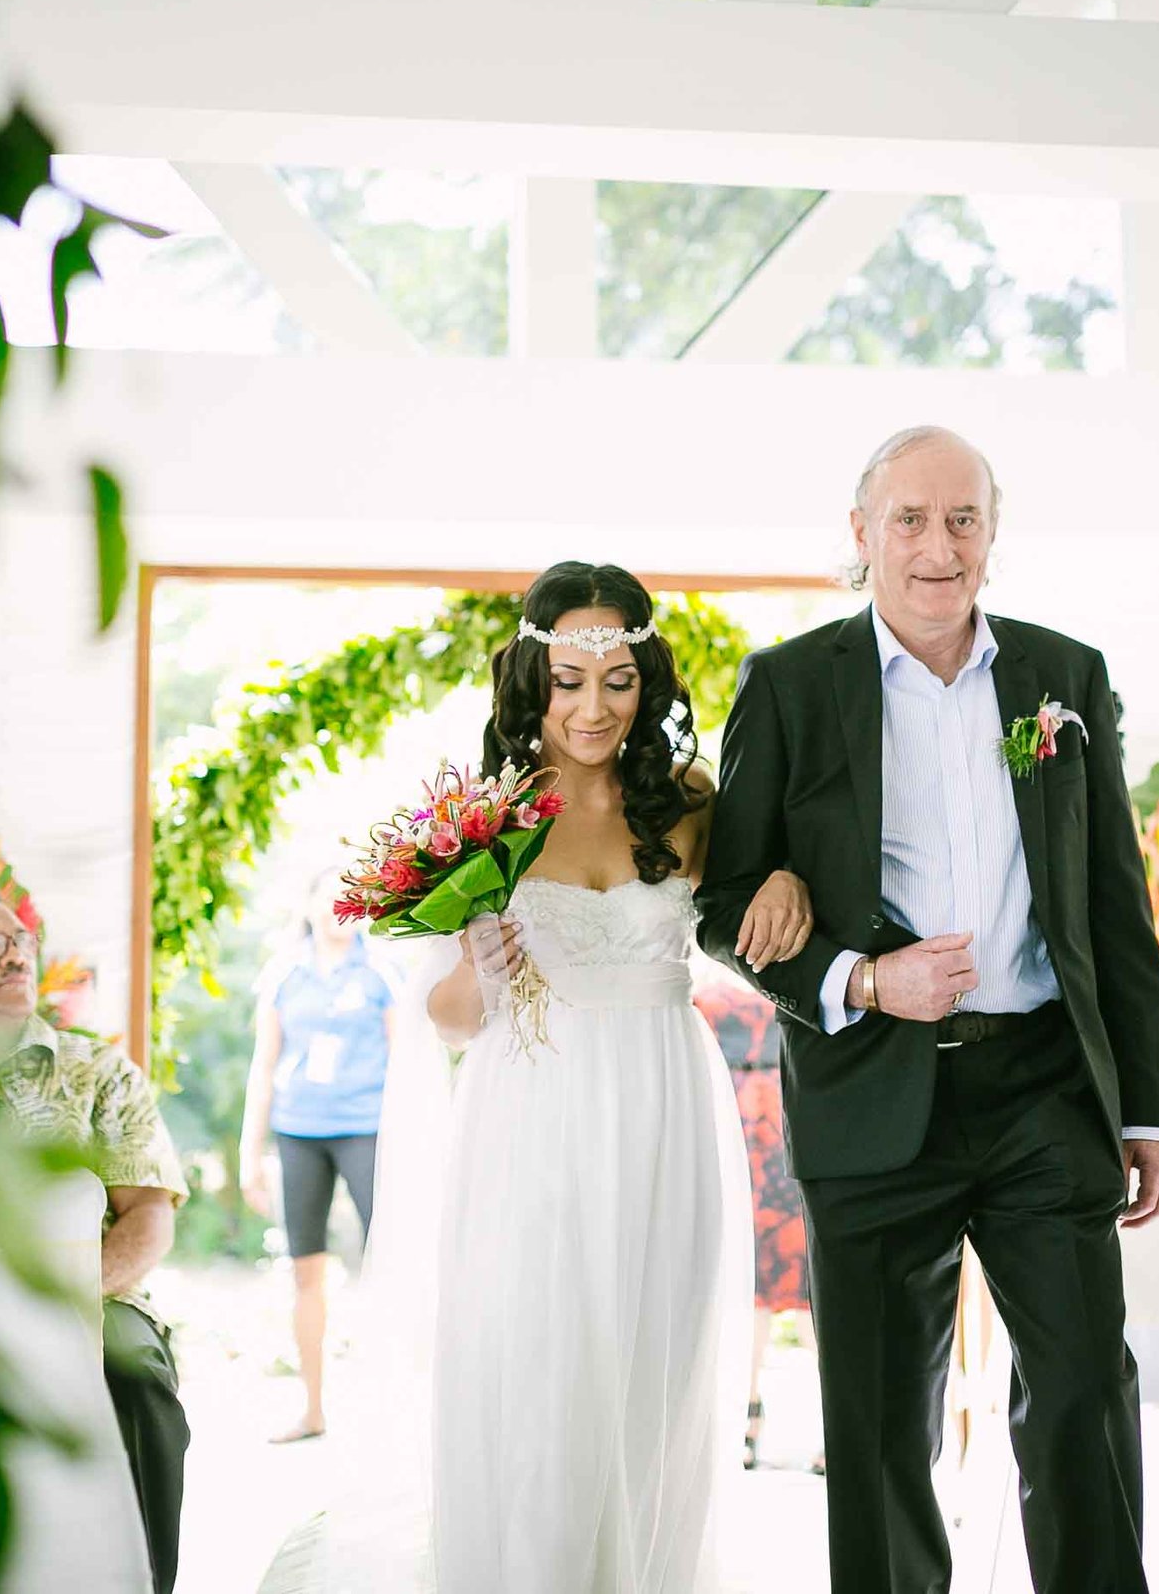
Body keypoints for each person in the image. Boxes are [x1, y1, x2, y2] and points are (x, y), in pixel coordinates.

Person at [697, 426, 1159, 1594]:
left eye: (961, 519)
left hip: (1044, 1088)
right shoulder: (788, 684)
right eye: (907, 519)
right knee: (873, 1426)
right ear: (859, 537)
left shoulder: (1064, 676)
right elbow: (721, 904)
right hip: (870, 1089)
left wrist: (1147, 1112)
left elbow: (1115, 903)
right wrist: (860, 978)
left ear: (992, 537)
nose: (936, 544)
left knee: (1078, 1393)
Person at [305, 562, 812, 1594]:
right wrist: (480, 970)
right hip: (529, 1110)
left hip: (664, 1101)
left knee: (652, 1370)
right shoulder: (482, 813)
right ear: (533, 675)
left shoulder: (688, 802)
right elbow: (442, 1019)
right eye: (570, 680)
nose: (593, 707)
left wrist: (790, 873)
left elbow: (759, 902)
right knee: (538, 1367)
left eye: (618, 681)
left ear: (646, 680)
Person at [0, 888, 192, 1594]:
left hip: (91, 1294)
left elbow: (149, 1215)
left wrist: (69, 1294)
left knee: (132, 1368)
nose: (15, 951)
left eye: (21, 939)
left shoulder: (98, 1071)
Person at [238, 873, 398, 1444]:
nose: (336, 909)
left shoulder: (381, 971)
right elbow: (264, 1065)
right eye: (324, 898)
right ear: (305, 905)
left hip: (366, 1130)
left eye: (346, 897)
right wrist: (248, 1152)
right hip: (299, 1131)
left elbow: (406, 1063)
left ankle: (397, 1403)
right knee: (305, 1271)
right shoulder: (284, 974)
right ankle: (312, 1409)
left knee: (391, 1261)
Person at [691, 965, 821, 1472]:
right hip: (736, 1138)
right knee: (749, 1291)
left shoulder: (788, 960)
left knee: (809, 1291)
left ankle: (829, 1422)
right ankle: (744, 1414)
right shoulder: (699, 978)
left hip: (790, 1131)